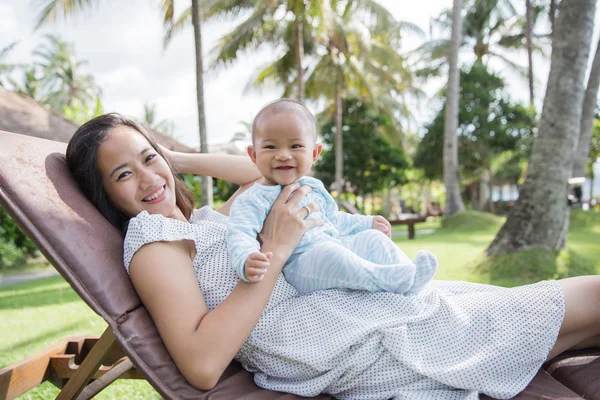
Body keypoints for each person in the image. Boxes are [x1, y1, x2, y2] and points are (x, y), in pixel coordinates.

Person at [66, 112, 600, 400]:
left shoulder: (204, 223)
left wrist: (171, 157)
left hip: (358, 318)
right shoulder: (153, 241)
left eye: (148, 160)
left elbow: (267, 171)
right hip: (347, 342)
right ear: (105, 194)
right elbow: (203, 365)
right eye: (123, 174)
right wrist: (274, 250)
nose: (148, 179)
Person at [227, 99, 437, 295]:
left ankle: (408, 273)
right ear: (254, 156)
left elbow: (334, 219)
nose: (283, 154)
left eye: (296, 146)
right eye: (270, 147)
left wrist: (367, 223)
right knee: (330, 253)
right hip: (301, 265)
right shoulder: (252, 199)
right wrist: (246, 259)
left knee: (372, 239)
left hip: (335, 246)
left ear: (315, 154)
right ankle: (388, 279)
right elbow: (240, 234)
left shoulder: (313, 187)